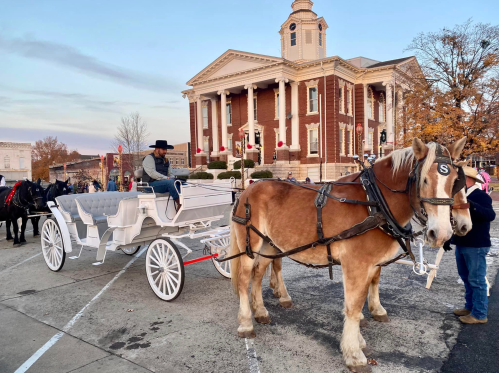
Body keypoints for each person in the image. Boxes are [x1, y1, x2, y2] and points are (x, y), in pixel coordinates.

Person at [444, 166, 496, 324]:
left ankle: (479, 314)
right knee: (466, 277)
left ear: (467, 179)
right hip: (463, 243)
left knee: (477, 280)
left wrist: (470, 205)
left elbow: (490, 215)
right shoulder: (460, 195)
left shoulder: (480, 196)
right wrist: (449, 239)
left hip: (476, 245)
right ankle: (470, 307)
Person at [142, 140, 181, 209]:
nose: (165, 151)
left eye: (166, 149)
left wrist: (174, 179)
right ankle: (180, 204)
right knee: (170, 182)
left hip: (163, 183)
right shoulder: (149, 158)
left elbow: (170, 174)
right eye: (163, 149)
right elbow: (152, 173)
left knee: (180, 183)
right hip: (150, 185)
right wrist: (166, 178)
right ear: (157, 149)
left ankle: (187, 202)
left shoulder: (166, 160)